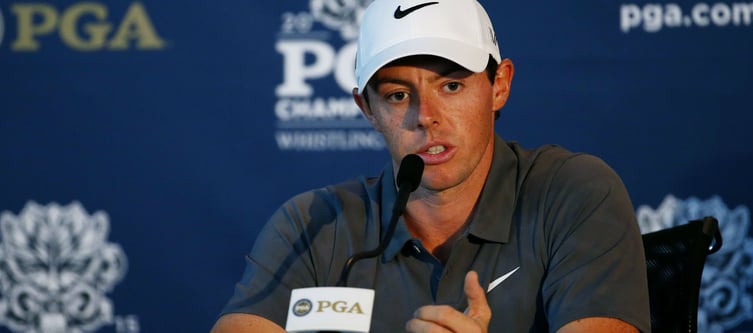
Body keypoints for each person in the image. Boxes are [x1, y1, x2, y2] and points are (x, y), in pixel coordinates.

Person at [211, 0, 651, 332]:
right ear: (368, 109)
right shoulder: (312, 224)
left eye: (452, 85)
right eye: (398, 95)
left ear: (499, 86)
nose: (426, 115)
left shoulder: (573, 193)